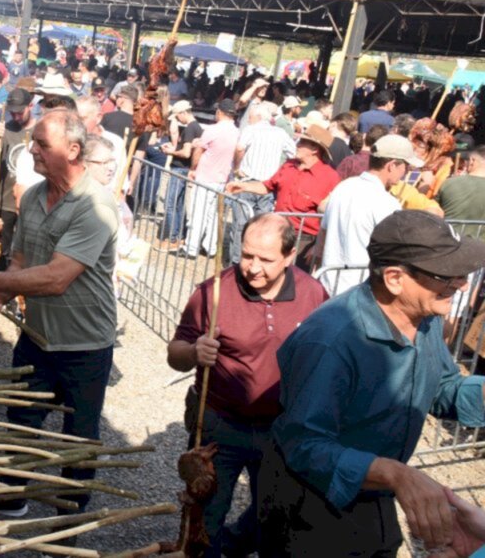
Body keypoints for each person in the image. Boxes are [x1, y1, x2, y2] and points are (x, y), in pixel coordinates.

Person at [259, 210, 485, 557]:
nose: (462, 284)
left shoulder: (424, 319)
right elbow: (304, 445)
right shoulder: (331, 340)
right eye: (447, 274)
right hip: (311, 508)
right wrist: (394, 474)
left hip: (375, 493)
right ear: (395, 278)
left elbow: (443, 388)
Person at [0, 109, 119, 517]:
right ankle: (11, 494)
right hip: (37, 334)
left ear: (73, 149)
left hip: (85, 343)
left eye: (43, 144)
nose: (33, 150)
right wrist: (2, 295)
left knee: (78, 434)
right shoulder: (35, 195)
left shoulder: (95, 206)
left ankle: (71, 512)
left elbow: (57, 277)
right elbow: (21, 261)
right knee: (20, 417)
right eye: (34, 142)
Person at [168, 213, 328, 558]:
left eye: (266, 259)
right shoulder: (213, 293)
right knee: (205, 513)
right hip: (219, 426)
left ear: (289, 257)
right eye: (247, 255)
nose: (253, 267)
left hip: (281, 429)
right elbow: (174, 354)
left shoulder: (313, 295)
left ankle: (241, 543)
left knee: (276, 514)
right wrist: (195, 352)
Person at [314, 134, 421, 295]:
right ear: (391, 165)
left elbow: (323, 232)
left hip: (329, 285)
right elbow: (393, 250)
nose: (405, 172)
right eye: (405, 166)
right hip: (360, 291)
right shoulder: (386, 202)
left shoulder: (343, 187)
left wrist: (316, 269)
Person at [226, 124, 340, 271]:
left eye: (302, 143)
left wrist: (318, 247)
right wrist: (243, 186)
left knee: (293, 281)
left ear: (314, 149)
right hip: (279, 231)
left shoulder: (330, 177)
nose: (296, 145)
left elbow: (332, 216)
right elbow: (268, 186)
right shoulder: (289, 165)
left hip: (303, 240)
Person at [228, 101, 296, 263]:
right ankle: (255, 259)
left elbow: (239, 148)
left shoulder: (250, 130)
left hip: (248, 182)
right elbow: (293, 153)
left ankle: (237, 263)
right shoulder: (280, 133)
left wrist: (236, 168)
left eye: (250, 117)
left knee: (240, 226)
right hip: (268, 185)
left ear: (258, 117)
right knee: (262, 228)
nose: (249, 120)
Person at [0, 88, 35, 270]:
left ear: (30, 106)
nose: (16, 117)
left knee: (22, 253)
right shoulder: (7, 127)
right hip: (5, 200)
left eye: (20, 112)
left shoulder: (39, 130)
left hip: (30, 200)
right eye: (13, 113)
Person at [182, 100, 239, 259]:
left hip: (206, 176)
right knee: (212, 214)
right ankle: (210, 247)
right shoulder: (236, 132)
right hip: (221, 178)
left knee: (198, 212)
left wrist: (193, 168)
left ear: (220, 112)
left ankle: (191, 247)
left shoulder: (212, 130)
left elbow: (199, 151)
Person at [154, 101, 203, 252]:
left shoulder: (189, 128)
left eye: (177, 116)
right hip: (184, 168)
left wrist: (170, 152)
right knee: (179, 205)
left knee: (170, 203)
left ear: (183, 113)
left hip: (179, 168)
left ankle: (173, 239)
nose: (178, 120)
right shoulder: (197, 127)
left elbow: (186, 153)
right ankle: (180, 236)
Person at [437, 145, 485, 232]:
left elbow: (434, 210)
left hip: (449, 239)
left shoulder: (449, 183)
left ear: (472, 161)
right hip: (481, 243)